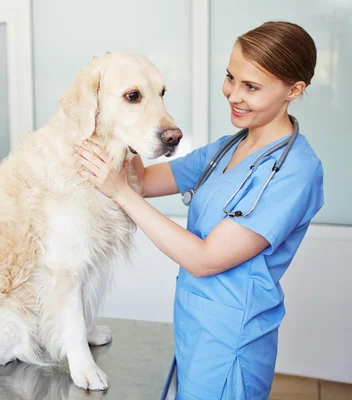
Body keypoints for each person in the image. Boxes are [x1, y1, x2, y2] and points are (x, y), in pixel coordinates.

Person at [74, 22, 324, 399]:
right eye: (230, 78)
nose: (233, 95)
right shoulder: (227, 147)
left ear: (294, 90)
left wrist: (121, 194)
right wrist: (116, 103)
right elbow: (147, 178)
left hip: (232, 342)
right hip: (194, 326)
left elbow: (206, 259)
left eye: (251, 87)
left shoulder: (295, 172)